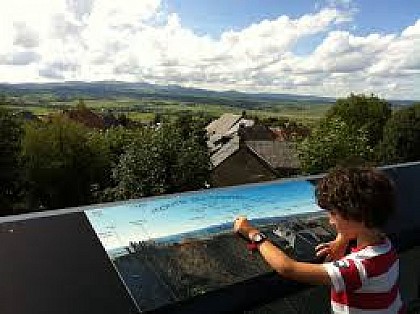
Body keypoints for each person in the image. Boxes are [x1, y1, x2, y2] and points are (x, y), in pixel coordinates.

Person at [234, 166, 405, 313]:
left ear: (356, 216)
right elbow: (357, 225)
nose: (330, 221)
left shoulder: (358, 268)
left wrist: (253, 233)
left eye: (333, 213)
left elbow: (287, 268)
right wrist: (341, 240)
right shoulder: (385, 246)